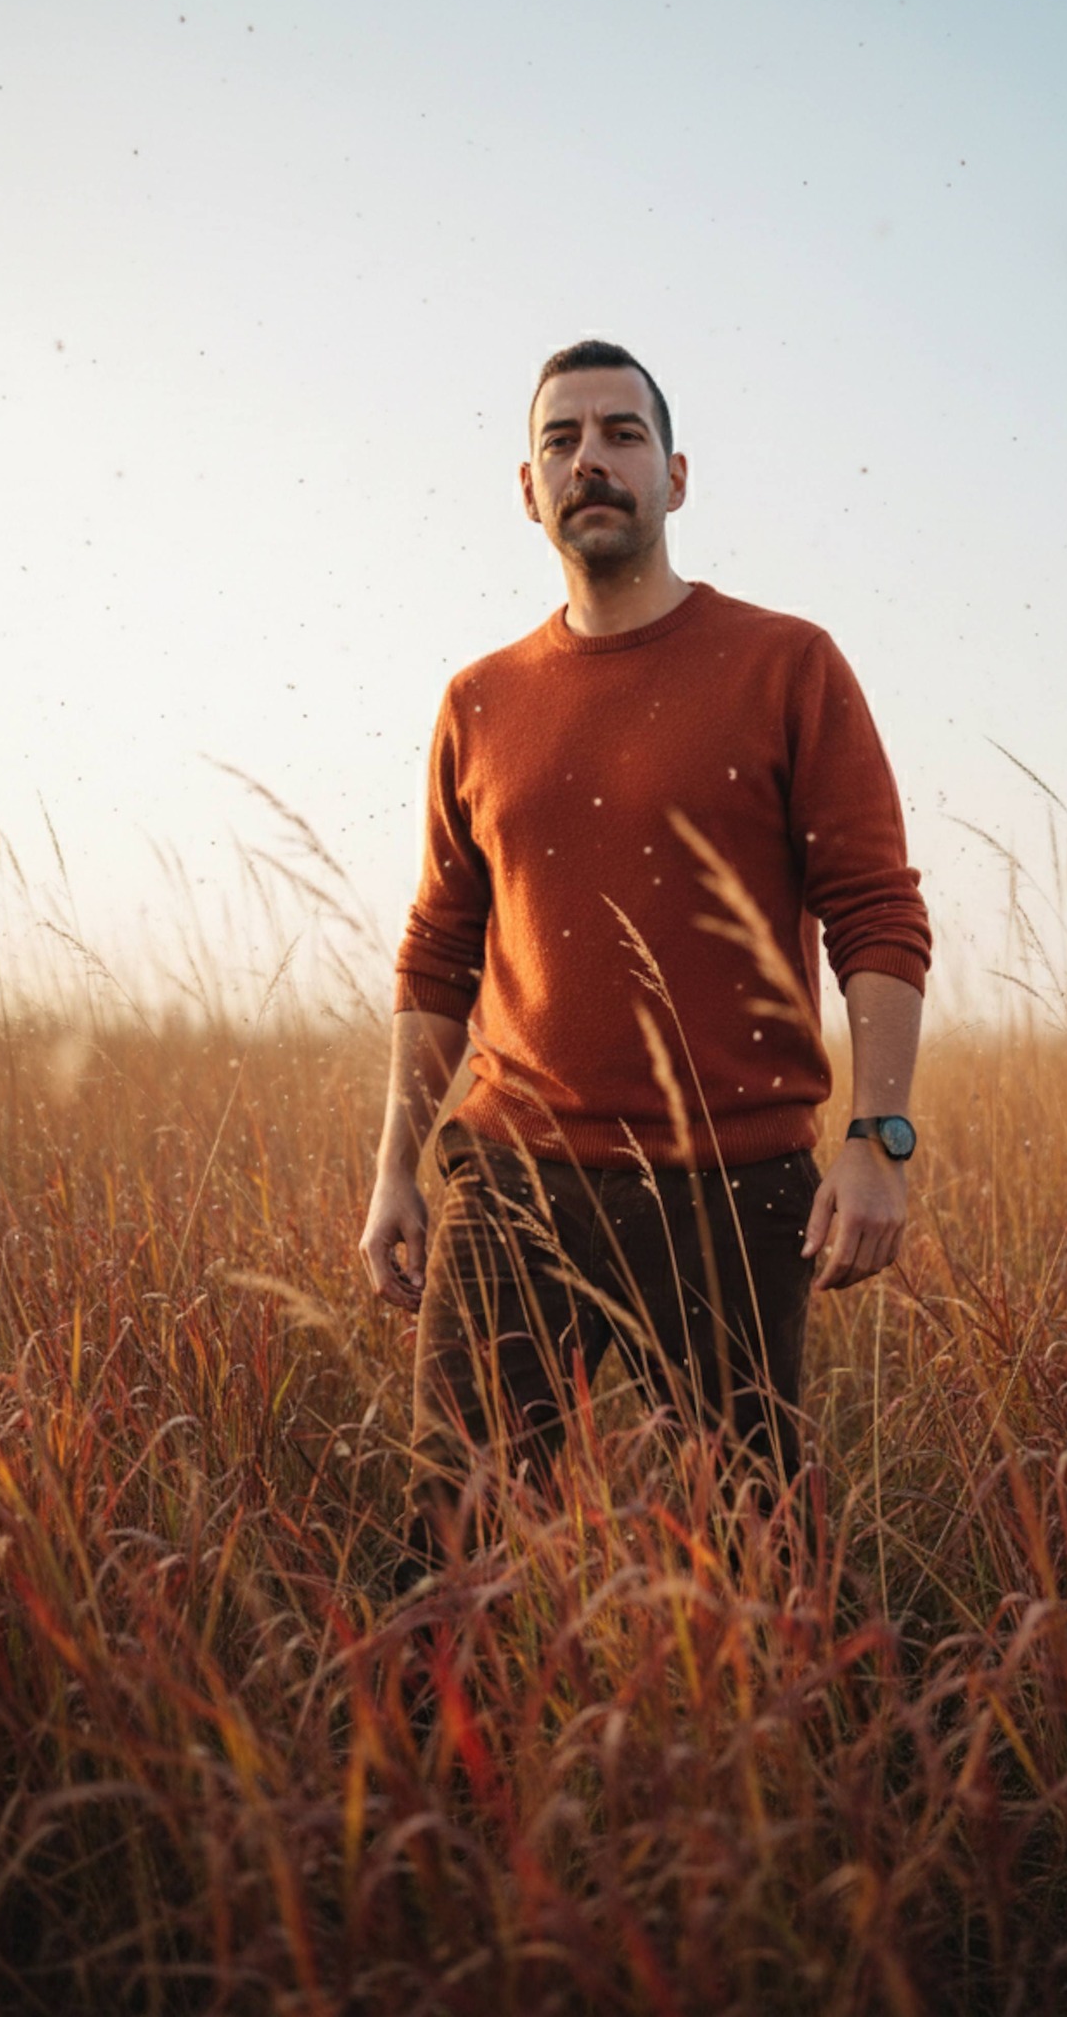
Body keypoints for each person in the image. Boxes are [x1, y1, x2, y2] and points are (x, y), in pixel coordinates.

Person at [358, 340, 930, 1556]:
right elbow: (439, 953)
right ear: (528, 488)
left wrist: (878, 1138)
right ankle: (433, 1747)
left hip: (733, 1184)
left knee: (753, 1550)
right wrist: (395, 1168)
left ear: (674, 475)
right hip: (512, 1180)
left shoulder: (788, 664)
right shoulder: (478, 700)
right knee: (447, 1543)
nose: (591, 462)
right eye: (561, 440)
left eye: (620, 435)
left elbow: (876, 909)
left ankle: (775, 1751)